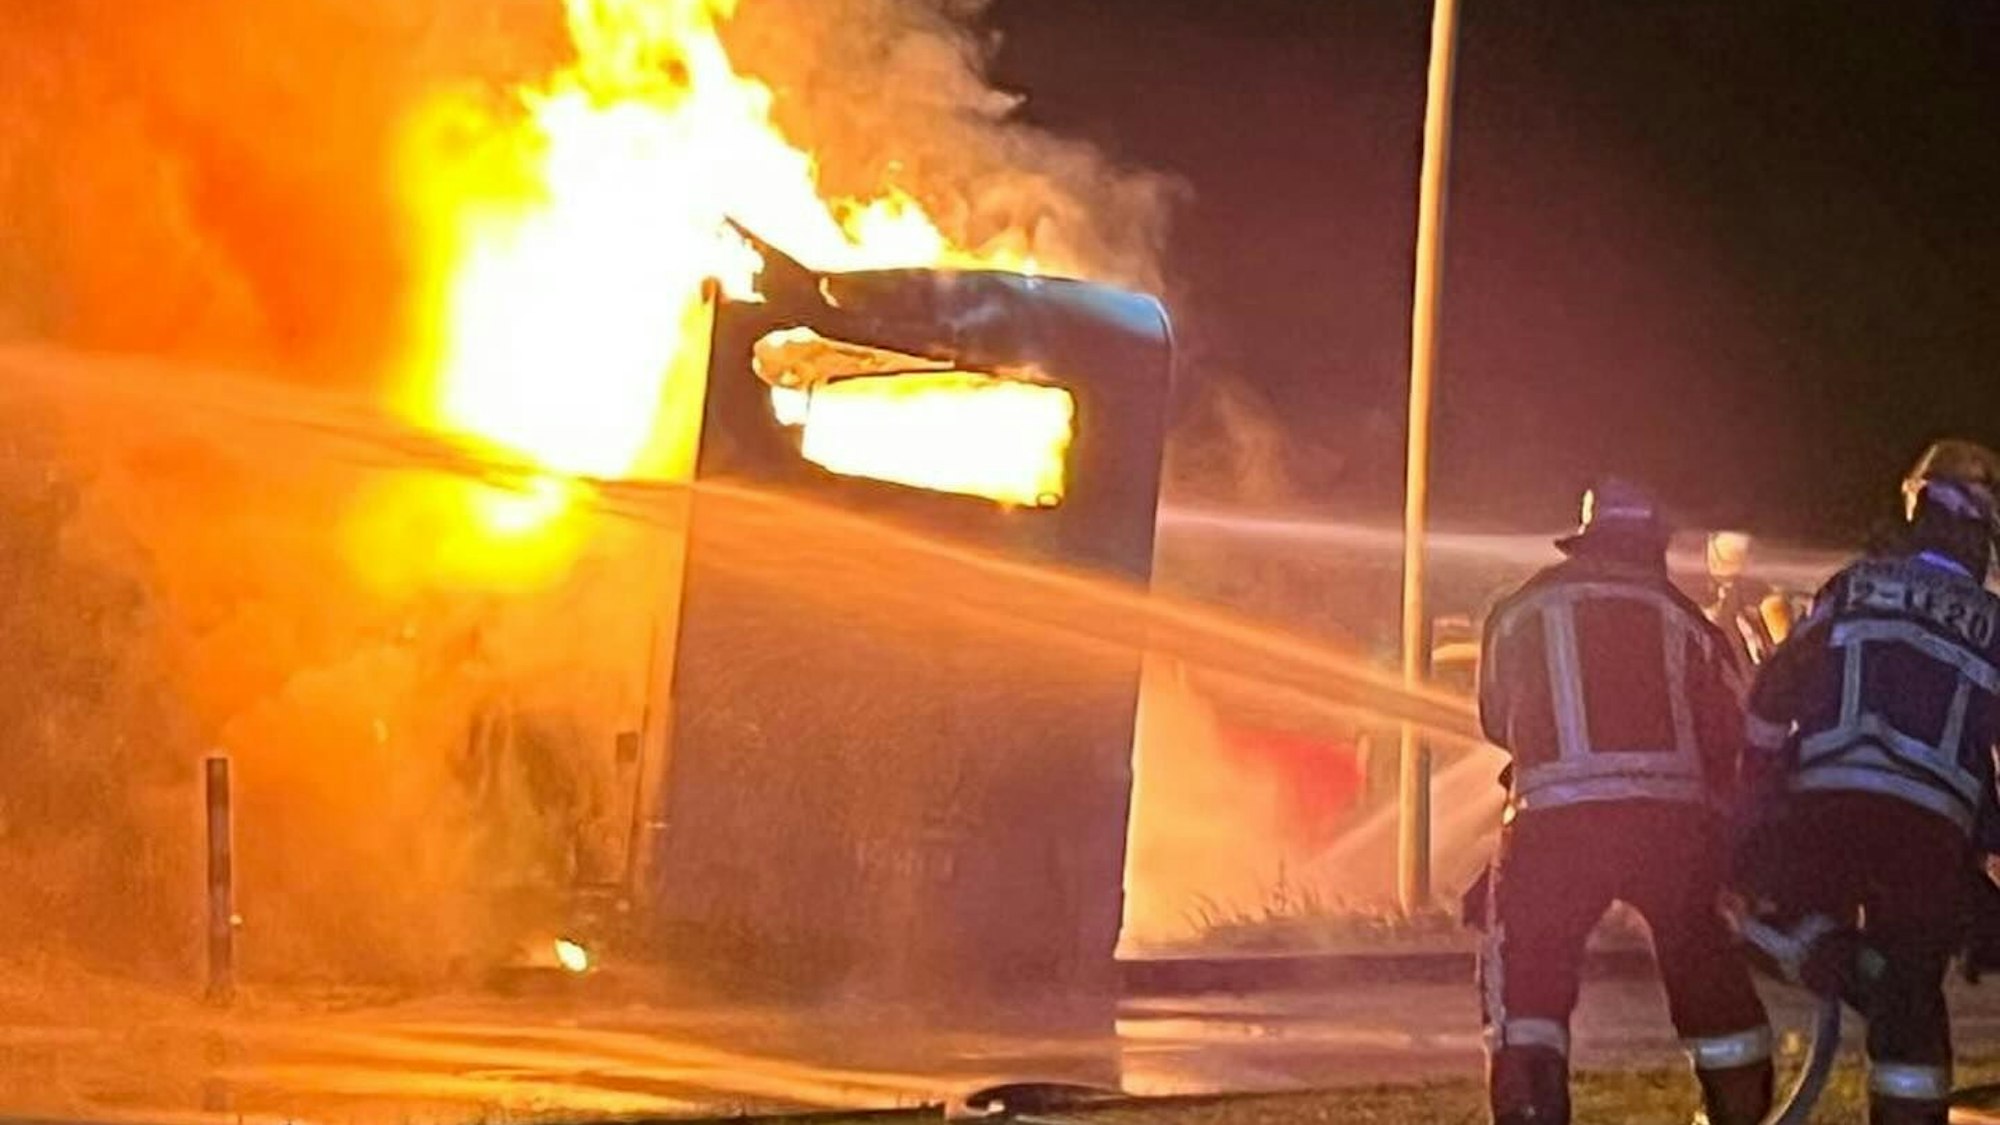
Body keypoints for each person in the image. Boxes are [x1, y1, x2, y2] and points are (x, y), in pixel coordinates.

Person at [1475, 479, 1772, 1125]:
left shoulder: (1520, 609)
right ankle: (1737, 1108)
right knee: (1703, 966)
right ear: (1651, 544)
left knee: (1528, 990)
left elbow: (1497, 719)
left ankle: (1532, 1110)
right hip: (1667, 827)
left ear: (1586, 540)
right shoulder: (1686, 619)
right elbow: (1729, 732)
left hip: (1552, 825)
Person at [1736, 439, 2000, 1125]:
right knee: (1914, 1002)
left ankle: (1840, 959)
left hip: (1827, 810)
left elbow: (1773, 695)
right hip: (1931, 839)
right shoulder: (1993, 622)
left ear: (1915, 508)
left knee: (1738, 903)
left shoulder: (1853, 586)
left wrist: (1753, 800)